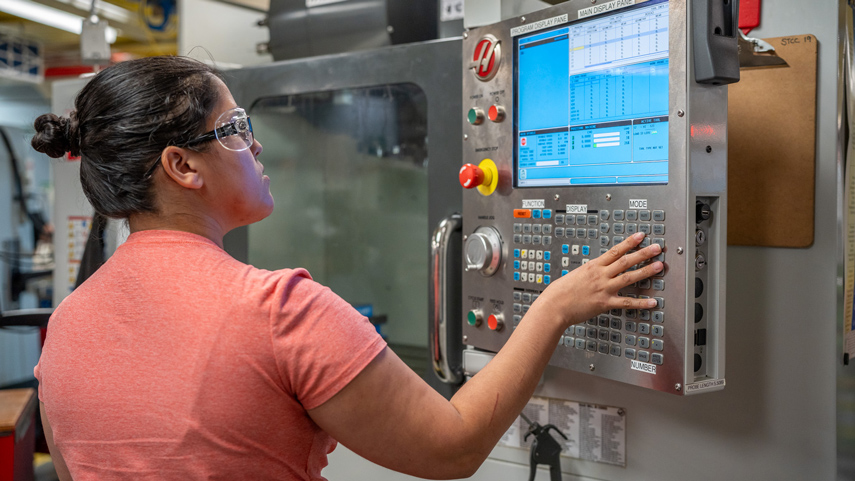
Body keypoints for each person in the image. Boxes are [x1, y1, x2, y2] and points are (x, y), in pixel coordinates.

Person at [31, 56, 664, 481]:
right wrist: (555, 305)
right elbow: (455, 445)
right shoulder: (278, 311)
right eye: (236, 128)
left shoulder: (66, 324)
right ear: (182, 167)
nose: (254, 144)